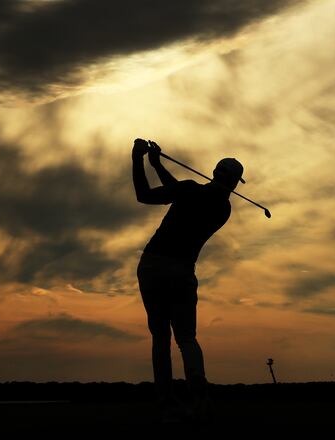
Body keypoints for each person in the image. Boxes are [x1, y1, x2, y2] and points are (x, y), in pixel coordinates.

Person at [132, 138, 243, 420]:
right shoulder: (223, 210)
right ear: (233, 184)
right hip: (182, 270)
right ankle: (198, 390)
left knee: (160, 337)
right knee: (186, 338)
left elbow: (146, 195)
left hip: (153, 265)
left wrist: (138, 159)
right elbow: (178, 192)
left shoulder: (189, 189)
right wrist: (157, 164)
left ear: (215, 172)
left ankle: (166, 399)